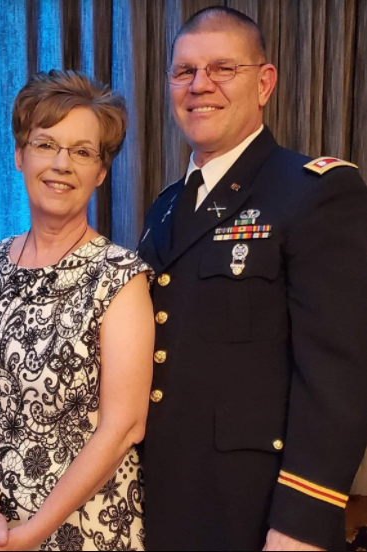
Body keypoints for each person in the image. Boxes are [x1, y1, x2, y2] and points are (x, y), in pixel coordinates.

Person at [137, 7, 367, 552]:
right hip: (160, 502)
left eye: (222, 68)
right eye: (184, 71)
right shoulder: (166, 206)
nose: (200, 86)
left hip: (259, 515)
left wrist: (301, 526)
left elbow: (340, 374)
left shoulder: (314, 192)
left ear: (264, 83)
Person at [0, 69, 155, 552]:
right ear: (20, 156)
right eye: (46, 145)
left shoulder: (120, 276)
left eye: (82, 152)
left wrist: (31, 535)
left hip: (89, 532)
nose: (62, 164)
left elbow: (125, 424)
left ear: (100, 172)